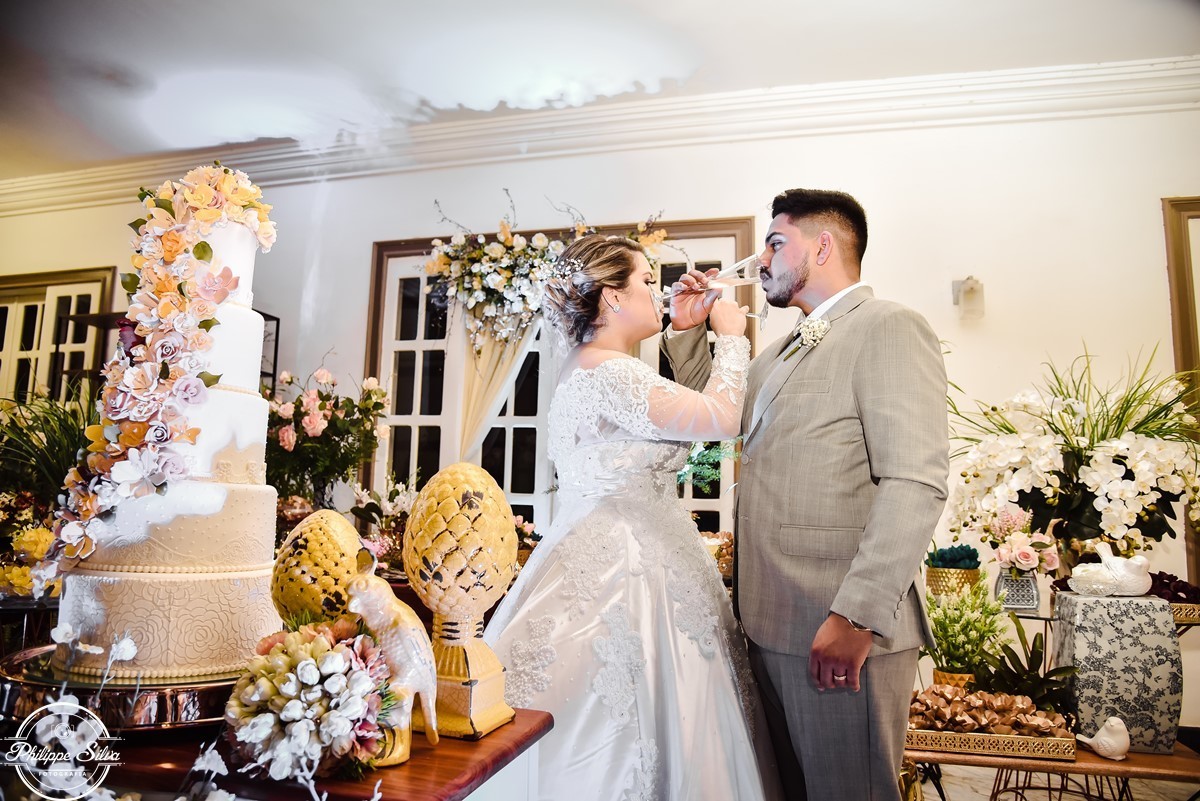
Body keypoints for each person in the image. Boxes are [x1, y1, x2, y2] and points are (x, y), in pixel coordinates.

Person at [662, 188, 949, 801]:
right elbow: (715, 418)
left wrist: (856, 615)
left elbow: (915, 481)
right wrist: (687, 332)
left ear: (822, 247)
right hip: (768, 622)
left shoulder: (888, 327)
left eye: (774, 243)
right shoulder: (775, 357)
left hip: (838, 627)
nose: (762, 260)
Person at [484, 234, 779, 801]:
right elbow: (721, 419)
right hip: (625, 570)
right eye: (647, 279)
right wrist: (730, 338)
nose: (658, 290)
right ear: (613, 297)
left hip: (615, 545)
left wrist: (686, 328)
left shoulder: (587, 368)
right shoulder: (614, 373)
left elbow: (673, 418)